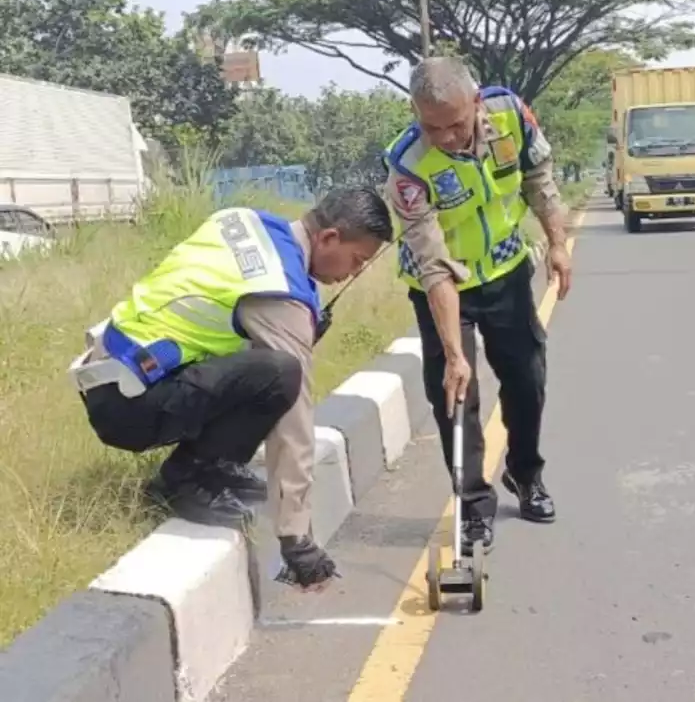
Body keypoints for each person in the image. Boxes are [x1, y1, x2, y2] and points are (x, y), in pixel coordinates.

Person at [69, 188, 393, 591]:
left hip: (113, 374)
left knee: (268, 368)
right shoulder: (280, 293)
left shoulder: (245, 222)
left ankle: (216, 466)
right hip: (130, 406)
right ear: (328, 238)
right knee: (281, 374)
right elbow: (294, 416)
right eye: (358, 260)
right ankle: (186, 479)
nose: (355, 273)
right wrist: (296, 538)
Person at [384, 57, 571, 556]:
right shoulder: (407, 165)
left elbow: (539, 177)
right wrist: (455, 353)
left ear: (475, 101)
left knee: (527, 377)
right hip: (442, 285)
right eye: (432, 126)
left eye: (456, 124)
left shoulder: (509, 112)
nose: (445, 137)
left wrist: (557, 241)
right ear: (415, 112)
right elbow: (433, 266)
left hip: (506, 271)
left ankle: (525, 473)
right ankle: (472, 505)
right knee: (455, 396)